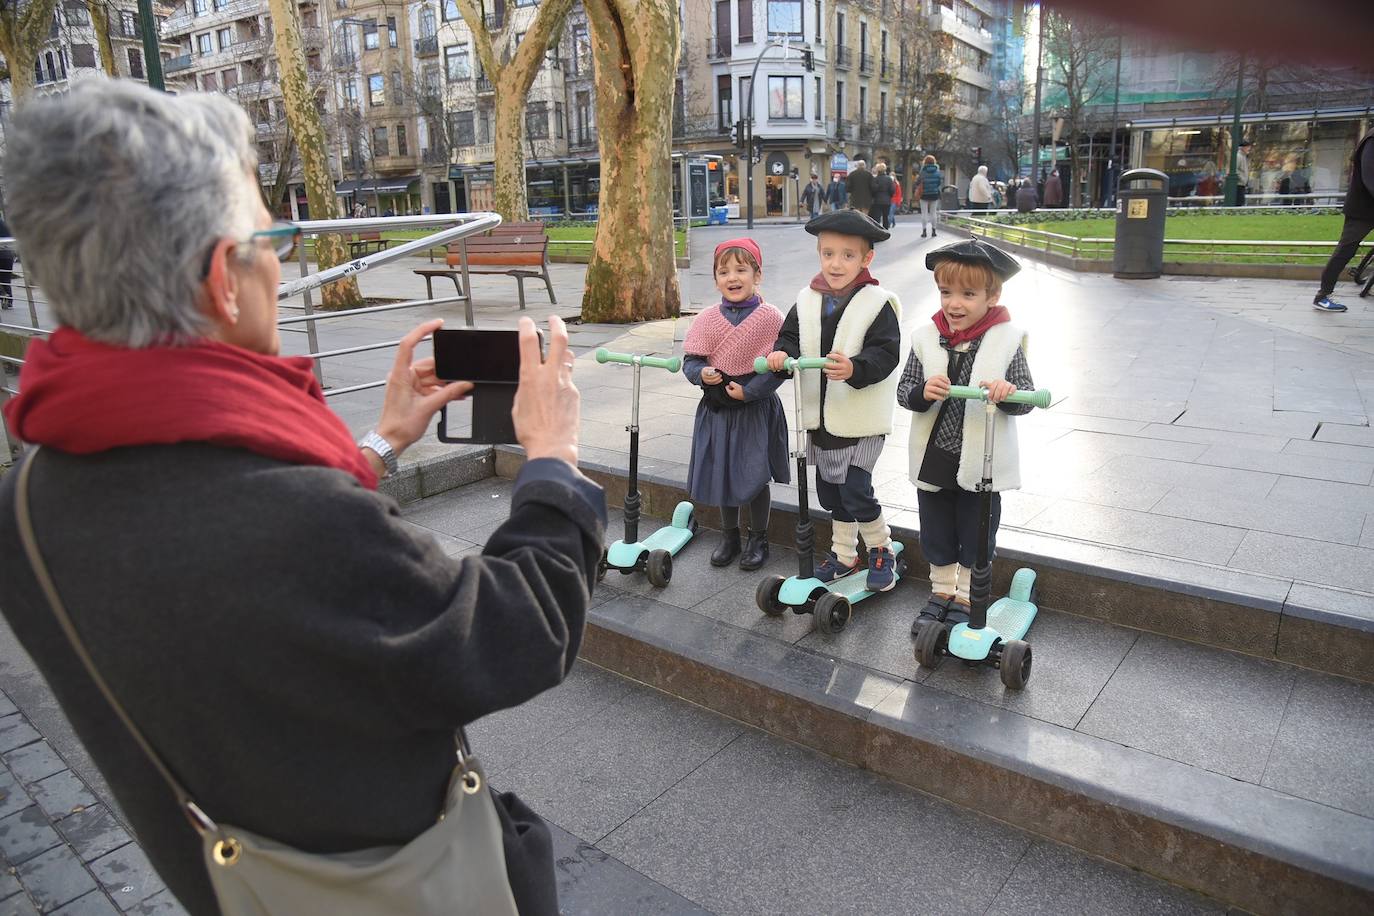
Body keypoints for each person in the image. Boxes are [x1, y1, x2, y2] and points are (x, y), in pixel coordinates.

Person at [0, 81, 602, 916]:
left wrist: (376, 445)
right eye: (274, 235)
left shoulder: (26, 504)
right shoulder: (300, 525)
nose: (282, 261)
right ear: (223, 279)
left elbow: (261, 597)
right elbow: (518, 632)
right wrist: (554, 462)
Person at [896, 239, 1035, 632]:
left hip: (981, 459)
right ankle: (941, 591)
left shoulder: (1007, 340)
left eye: (968, 294)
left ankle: (967, 596)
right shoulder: (926, 337)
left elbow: (1025, 397)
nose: (954, 303)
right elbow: (905, 389)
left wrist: (1008, 393)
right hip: (936, 452)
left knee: (976, 531)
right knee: (936, 526)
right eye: (946, 292)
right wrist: (922, 392)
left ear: (993, 296)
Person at [765, 210, 902, 593]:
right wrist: (781, 355)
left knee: (856, 488)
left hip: (862, 418)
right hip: (820, 416)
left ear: (866, 259)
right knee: (832, 492)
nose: (835, 263)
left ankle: (880, 548)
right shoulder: (807, 299)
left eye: (847, 255)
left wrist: (856, 368)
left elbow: (886, 352)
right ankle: (844, 553)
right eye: (828, 254)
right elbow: (790, 337)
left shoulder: (878, 302)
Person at [682, 238, 790, 570]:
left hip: (754, 407)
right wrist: (703, 373)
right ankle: (730, 536)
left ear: (757, 275)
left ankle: (759, 538)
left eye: (741, 270)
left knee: (754, 476)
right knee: (723, 473)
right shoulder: (707, 318)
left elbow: (781, 366)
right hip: (717, 408)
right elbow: (690, 362)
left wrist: (751, 391)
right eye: (724, 271)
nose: (732, 277)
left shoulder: (771, 317)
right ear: (715, 279)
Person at [1312, 129, 1374, 313]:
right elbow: (1370, 178)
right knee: (1346, 250)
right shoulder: (1372, 140)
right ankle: (1322, 295)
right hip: (1363, 209)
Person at [918, 155, 943, 238]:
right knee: (933, 212)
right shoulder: (937, 172)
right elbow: (939, 182)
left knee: (924, 213)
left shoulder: (922, 172)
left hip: (924, 194)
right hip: (934, 194)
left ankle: (924, 231)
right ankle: (934, 231)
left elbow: (918, 182)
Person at [870, 162, 895, 229]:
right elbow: (892, 190)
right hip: (887, 200)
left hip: (877, 200)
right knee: (885, 217)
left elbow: (873, 190)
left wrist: (874, 196)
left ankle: (877, 231)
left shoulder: (875, 179)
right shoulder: (889, 179)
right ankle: (885, 230)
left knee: (877, 217)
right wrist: (889, 196)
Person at [0, 214, 13, 310]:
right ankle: (9, 301)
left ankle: (3, 295)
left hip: (1, 254)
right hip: (8, 255)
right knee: (6, 279)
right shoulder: (5, 224)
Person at [1234, 139, 1252, 207]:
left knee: (1240, 202)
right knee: (1239, 203)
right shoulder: (1239, 156)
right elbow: (1235, 169)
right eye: (1248, 147)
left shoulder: (1243, 156)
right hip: (1239, 184)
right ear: (1242, 147)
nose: (1249, 149)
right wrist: (1242, 179)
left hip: (1242, 184)